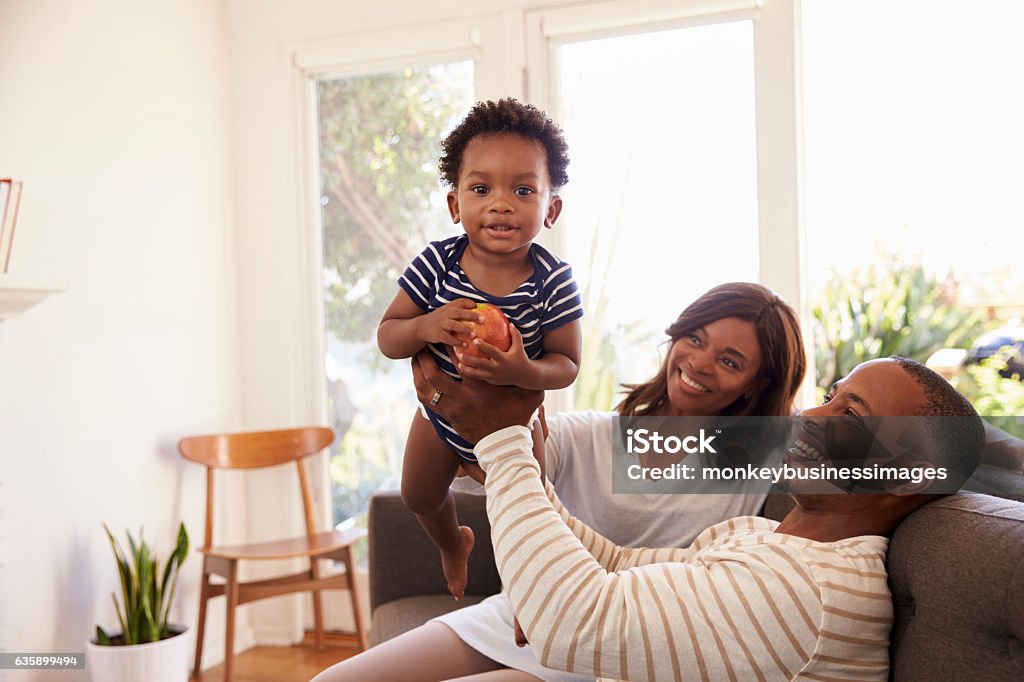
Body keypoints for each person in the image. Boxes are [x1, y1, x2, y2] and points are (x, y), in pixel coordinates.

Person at [316, 282, 807, 682]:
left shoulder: (754, 453)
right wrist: (450, 385)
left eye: (730, 361)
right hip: (520, 614)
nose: (699, 362)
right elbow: (479, 459)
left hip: (605, 644)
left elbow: (880, 453)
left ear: (757, 384)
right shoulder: (590, 437)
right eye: (696, 339)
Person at [410, 355, 985, 681]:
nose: (812, 414)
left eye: (851, 415)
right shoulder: (768, 538)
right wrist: (523, 478)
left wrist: (504, 447)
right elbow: (618, 562)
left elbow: (573, 622)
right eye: (831, 397)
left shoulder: (809, 591)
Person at [376, 98, 584, 601]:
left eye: (523, 189)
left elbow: (567, 365)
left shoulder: (552, 281)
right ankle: (453, 543)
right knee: (418, 494)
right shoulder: (437, 265)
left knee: (526, 517)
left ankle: (529, 598)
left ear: (550, 209)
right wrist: (426, 324)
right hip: (438, 418)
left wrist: (521, 369)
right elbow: (388, 336)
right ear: (455, 205)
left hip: (516, 427)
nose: (501, 202)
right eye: (480, 187)